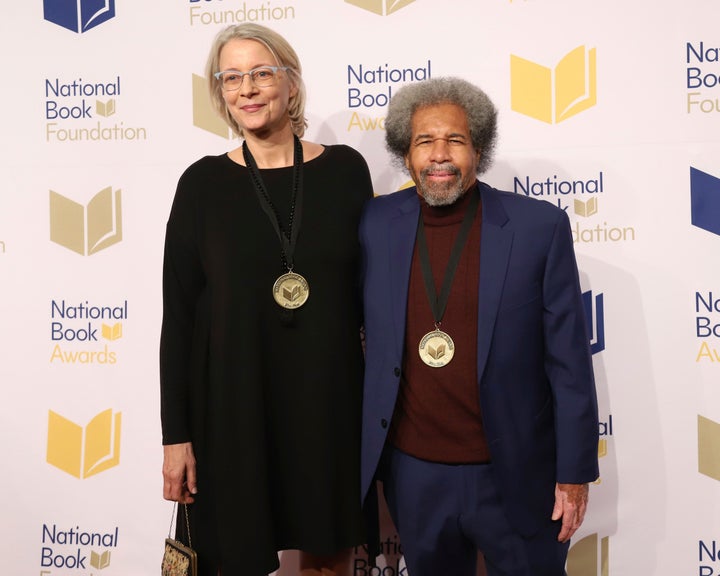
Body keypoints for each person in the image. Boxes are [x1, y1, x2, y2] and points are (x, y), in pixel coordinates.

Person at [359, 77, 599, 576]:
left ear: (479, 150)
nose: (439, 154)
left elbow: (569, 362)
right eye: (425, 141)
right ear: (406, 154)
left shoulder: (538, 228)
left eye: (456, 140)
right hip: (415, 474)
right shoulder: (374, 224)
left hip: (516, 472)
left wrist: (575, 473)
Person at [160, 23, 373, 576]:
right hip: (232, 410)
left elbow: (373, 294)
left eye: (260, 73)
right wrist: (175, 436)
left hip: (328, 405)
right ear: (221, 94)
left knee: (327, 560)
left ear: (291, 84)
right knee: (235, 561)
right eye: (232, 78)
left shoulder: (347, 171)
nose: (247, 88)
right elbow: (178, 319)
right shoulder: (201, 185)